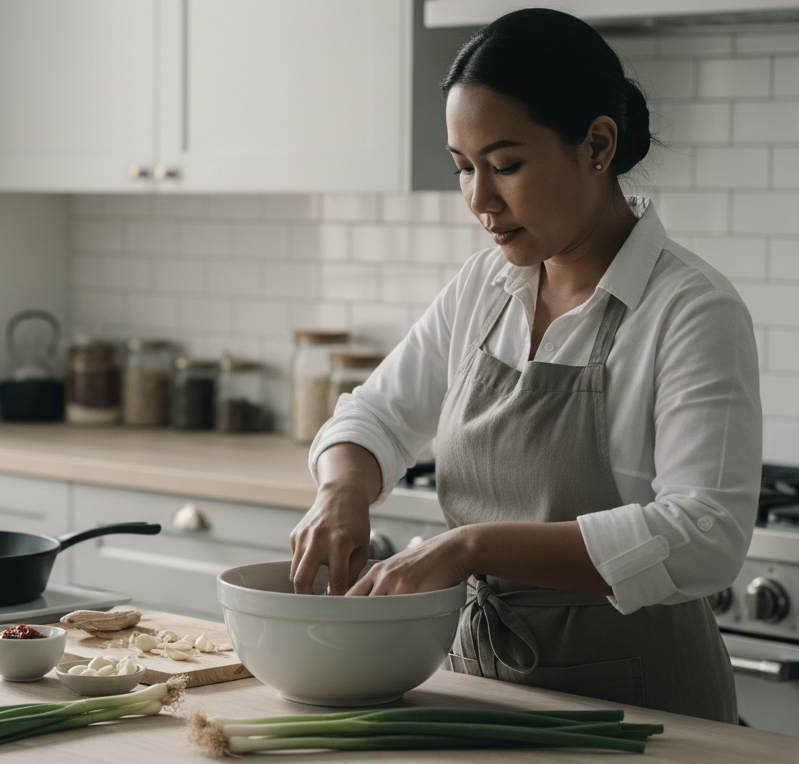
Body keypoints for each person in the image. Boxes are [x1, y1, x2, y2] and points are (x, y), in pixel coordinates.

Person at [289, 8, 761, 722]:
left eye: (505, 165)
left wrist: (471, 547)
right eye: (464, 169)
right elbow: (376, 414)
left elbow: (705, 536)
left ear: (597, 144)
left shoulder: (690, 310)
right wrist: (340, 490)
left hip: (640, 715)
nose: (479, 200)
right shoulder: (484, 288)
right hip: (481, 690)